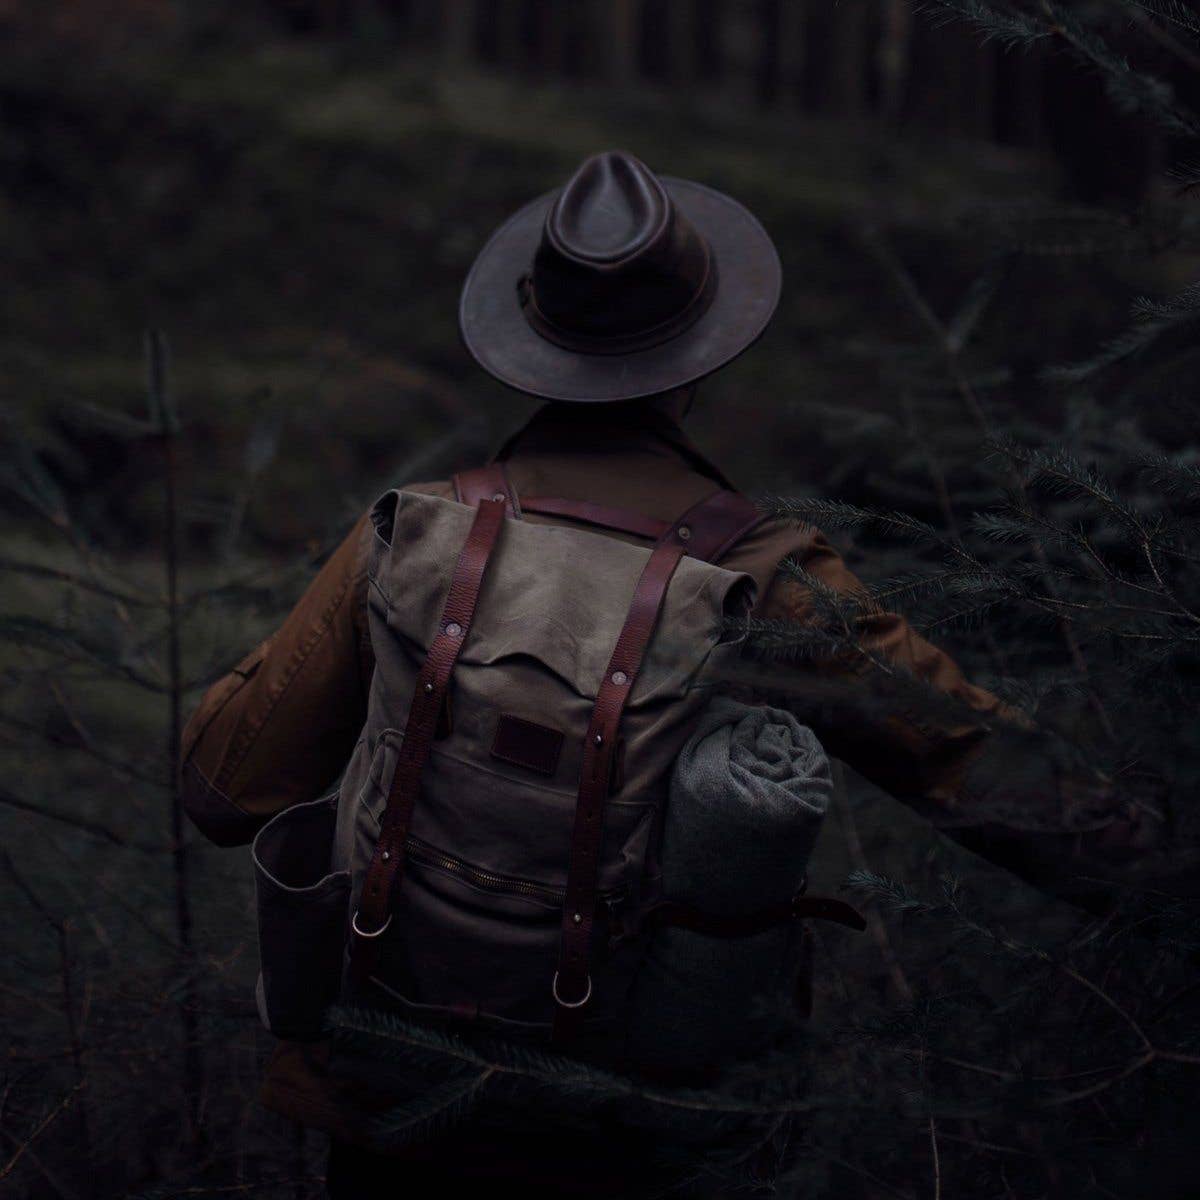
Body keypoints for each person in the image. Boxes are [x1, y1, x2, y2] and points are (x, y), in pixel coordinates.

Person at [180, 151, 1154, 1196]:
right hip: (637, 1126)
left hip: (396, 1099)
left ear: (533, 335)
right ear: (700, 356)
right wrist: (1157, 876)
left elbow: (226, 789)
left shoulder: (414, 532)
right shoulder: (760, 575)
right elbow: (975, 763)